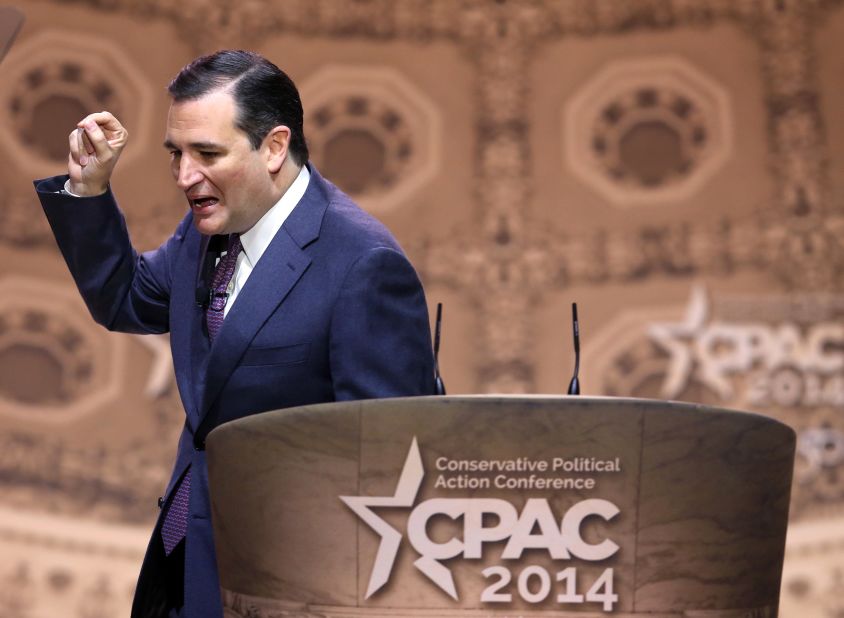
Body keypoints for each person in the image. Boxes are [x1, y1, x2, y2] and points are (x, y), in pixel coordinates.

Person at [34, 50, 436, 618]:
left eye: (207, 154)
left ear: (274, 147)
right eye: (176, 153)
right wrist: (90, 190)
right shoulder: (208, 227)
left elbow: (391, 471)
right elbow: (125, 298)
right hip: (183, 567)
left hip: (278, 588)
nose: (184, 176)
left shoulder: (363, 266)